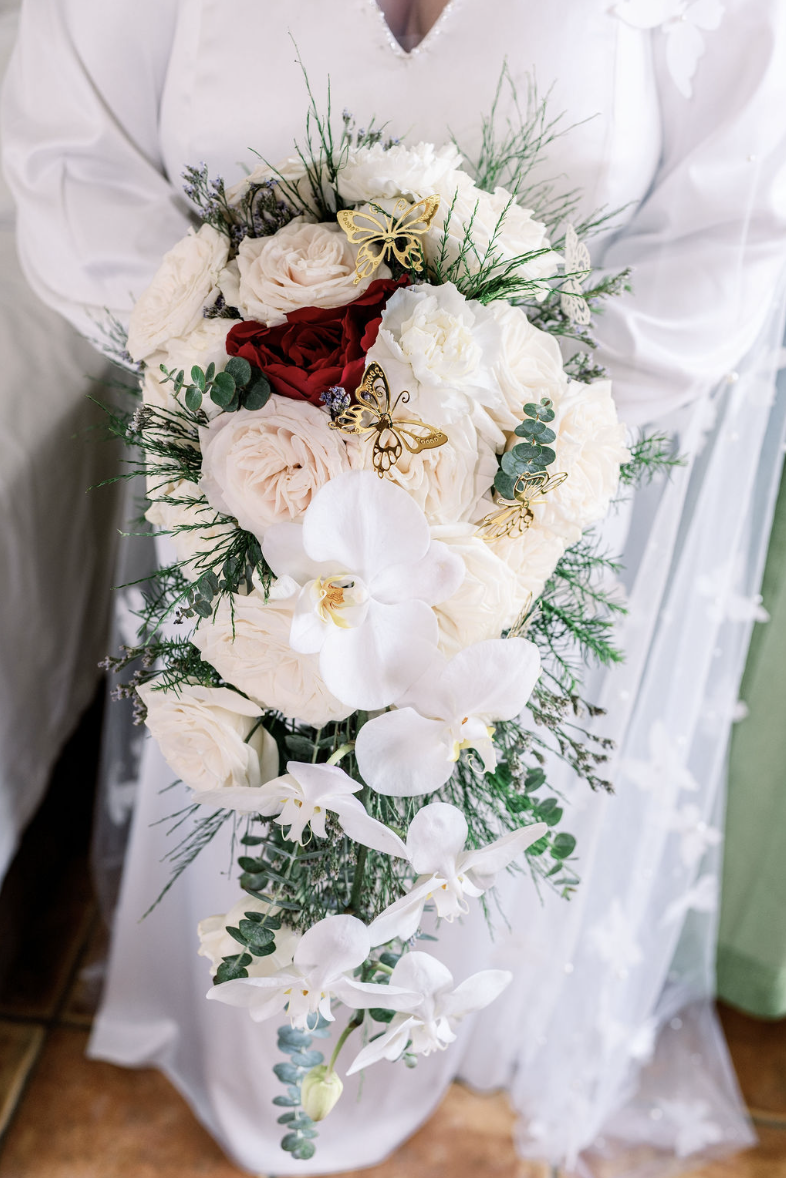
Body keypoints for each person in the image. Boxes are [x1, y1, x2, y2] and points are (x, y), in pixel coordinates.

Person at [3, 1, 786, 1173]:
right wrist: (249, 398)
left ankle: (433, 1036)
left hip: (521, 517)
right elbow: (73, 165)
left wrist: (484, 450)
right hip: (245, 477)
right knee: (249, 789)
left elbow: (734, 226)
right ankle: (257, 1056)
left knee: (465, 817)